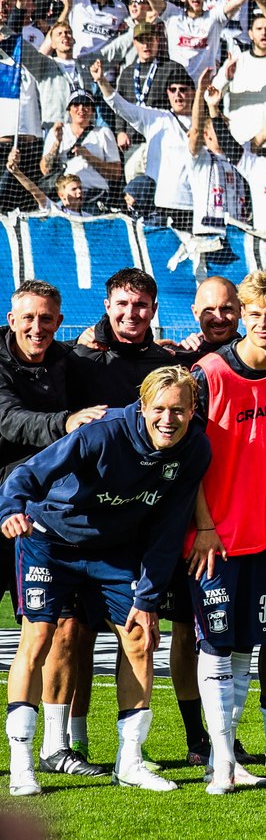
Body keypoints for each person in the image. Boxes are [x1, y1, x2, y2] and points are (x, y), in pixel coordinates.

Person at [3, 366, 209, 797]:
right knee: (39, 636)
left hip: (114, 552)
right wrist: (12, 509)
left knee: (139, 637)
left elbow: (169, 529)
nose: (168, 420)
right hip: (49, 541)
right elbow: (29, 473)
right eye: (159, 409)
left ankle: (130, 761)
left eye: (179, 410)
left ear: (193, 411)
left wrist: (149, 598)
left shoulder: (194, 451)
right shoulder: (102, 432)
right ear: (142, 406)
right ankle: (22, 764)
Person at [185, 271, 266, 789]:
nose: (262, 323)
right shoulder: (209, 372)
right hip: (215, 538)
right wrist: (205, 526)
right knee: (214, 644)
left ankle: (224, 760)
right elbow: (187, 462)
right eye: (253, 314)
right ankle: (220, 765)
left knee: (242, 650)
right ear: (241, 314)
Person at [0, 281, 105, 783]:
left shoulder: (71, 360)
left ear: (59, 322)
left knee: (58, 629)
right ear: (11, 317)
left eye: (47, 319)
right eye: (28, 318)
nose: (37, 328)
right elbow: (9, 420)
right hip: (3, 510)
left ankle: (55, 747)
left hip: (44, 521)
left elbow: (117, 371)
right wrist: (66, 422)